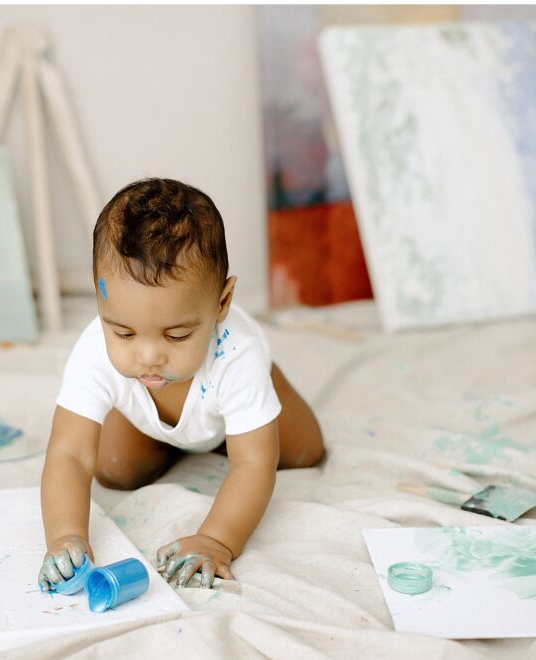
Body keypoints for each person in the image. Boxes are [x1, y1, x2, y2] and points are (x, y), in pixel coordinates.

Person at [38, 178, 325, 591]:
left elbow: (253, 465)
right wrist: (65, 536)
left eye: (175, 336)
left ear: (221, 304)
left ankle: (243, 417)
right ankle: (172, 432)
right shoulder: (93, 352)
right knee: (115, 471)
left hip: (231, 388)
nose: (149, 356)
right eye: (123, 332)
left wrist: (215, 540)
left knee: (303, 452)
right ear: (101, 302)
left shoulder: (236, 356)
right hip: (149, 409)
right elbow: (68, 453)